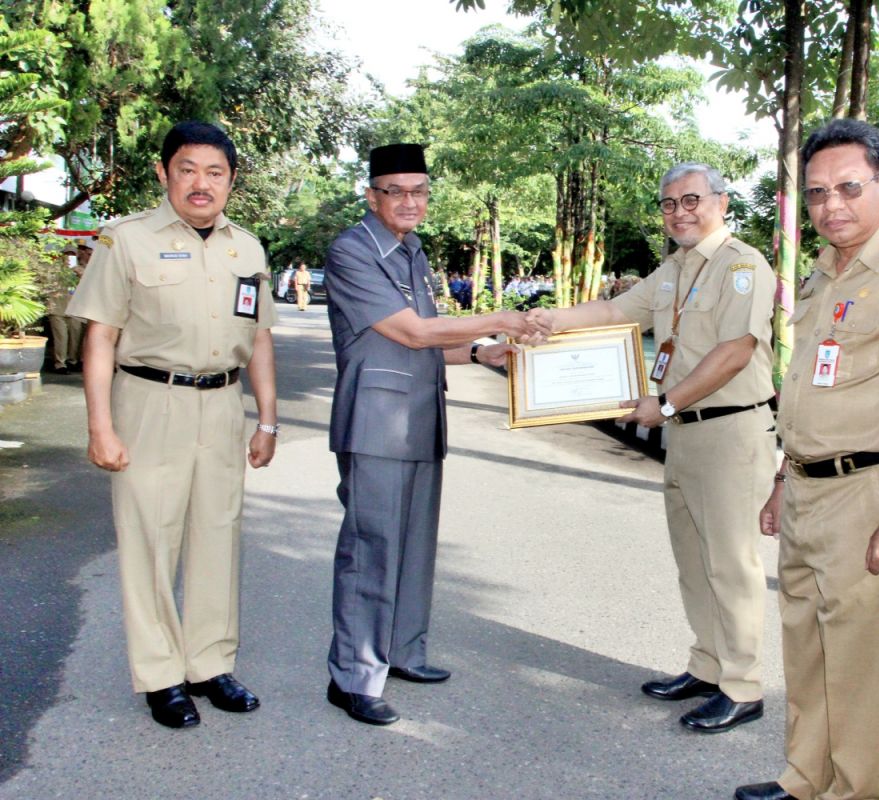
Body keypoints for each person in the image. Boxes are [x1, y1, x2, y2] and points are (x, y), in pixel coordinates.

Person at [734, 120, 879, 800]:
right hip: (809, 487)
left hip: (870, 491)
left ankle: (855, 791)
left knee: (863, 665)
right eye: (816, 193)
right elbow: (809, 388)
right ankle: (806, 777)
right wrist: (784, 478)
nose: (831, 205)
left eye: (848, 187)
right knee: (807, 648)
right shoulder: (824, 273)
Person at [529, 162, 776, 734]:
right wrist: (546, 320)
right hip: (687, 433)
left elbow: (735, 351)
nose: (680, 212)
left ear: (721, 202)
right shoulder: (675, 269)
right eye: (669, 204)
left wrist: (665, 404)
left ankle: (742, 686)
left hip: (729, 430)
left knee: (730, 563)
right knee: (694, 559)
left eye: (692, 200)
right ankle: (708, 666)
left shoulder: (742, 265)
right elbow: (616, 311)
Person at [67, 120, 278, 729]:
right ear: (164, 173)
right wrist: (99, 427)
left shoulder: (248, 248)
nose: (201, 183)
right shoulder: (125, 240)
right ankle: (161, 676)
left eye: (215, 173)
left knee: (219, 534)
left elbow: (258, 337)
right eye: (187, 169)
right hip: (148, 402)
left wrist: (268, 421)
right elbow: (101, 336)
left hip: (221, 404)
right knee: (150, 539)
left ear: (232, 181)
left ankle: (209, 664)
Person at [323, 143, 531, 726]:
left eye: (419, 191)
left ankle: (404, 652)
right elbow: (412, 333)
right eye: (396, 190)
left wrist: (485, 353)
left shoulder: (413, 253)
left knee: (414, 544)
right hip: (375, 422)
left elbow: (433, 342)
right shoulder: (352, 250)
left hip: (420, 415)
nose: (410, 201)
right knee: (371, 548)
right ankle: (355, 676)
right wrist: (500, 318)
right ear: (372, 196)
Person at [47, 246, 85, 374]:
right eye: (67, 254)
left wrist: (79, 272)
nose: (69, 257)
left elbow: (89, 284)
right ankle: (60, 363)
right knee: (61, 338)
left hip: (75, 310)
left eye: (72, 254)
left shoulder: (80, 270)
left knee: (75, 338)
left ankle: (72, 361)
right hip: (57, 309)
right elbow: (47, 283)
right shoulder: (54, 269)